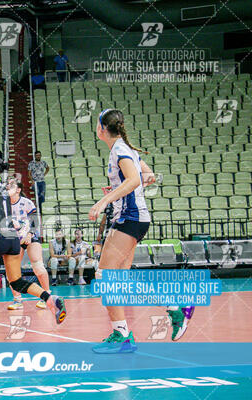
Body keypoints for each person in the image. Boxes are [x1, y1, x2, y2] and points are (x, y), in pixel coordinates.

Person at [89, 108, 194, 353]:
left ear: (102, 128)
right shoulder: (125, 148)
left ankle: (126, 332)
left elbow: (135, 180)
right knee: (119, 281)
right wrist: (119, 188)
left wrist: (105, 201)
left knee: (105, 276)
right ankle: (170, 309)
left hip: (130, 218)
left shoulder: (121, 149)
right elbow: (148, 176)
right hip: (134, 217)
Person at [0, 156, 66, 331]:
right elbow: (1, 216)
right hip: (12, 238)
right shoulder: (3, 189)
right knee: (16, 281)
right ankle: (49, 298)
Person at [5, 179, 51, 310]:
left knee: (38, 266)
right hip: (13, 239)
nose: (7, 186)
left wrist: (29, 234)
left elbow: (36, 220)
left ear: (18, 190)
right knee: (12, 271)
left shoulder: (26, 202)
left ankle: (47, 295)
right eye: (7, 185)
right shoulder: (4, 204)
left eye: (11, 185)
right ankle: (17, 300)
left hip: (30, 236)